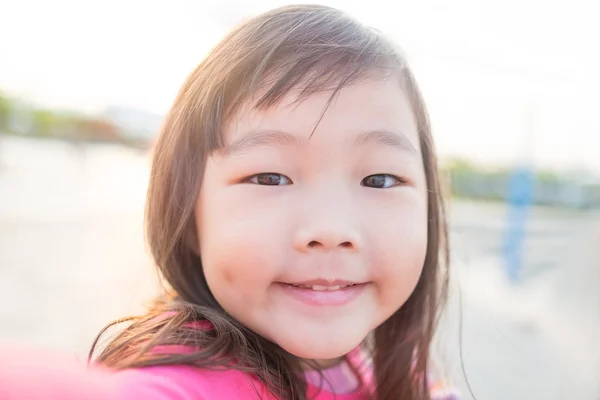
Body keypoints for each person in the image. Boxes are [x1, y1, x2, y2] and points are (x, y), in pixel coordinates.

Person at [0, 4, 460, 400]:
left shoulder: (400, 369)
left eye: (379, 179)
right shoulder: (191, 383)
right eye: (269, 177)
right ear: (189, 216)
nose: (331, 228)